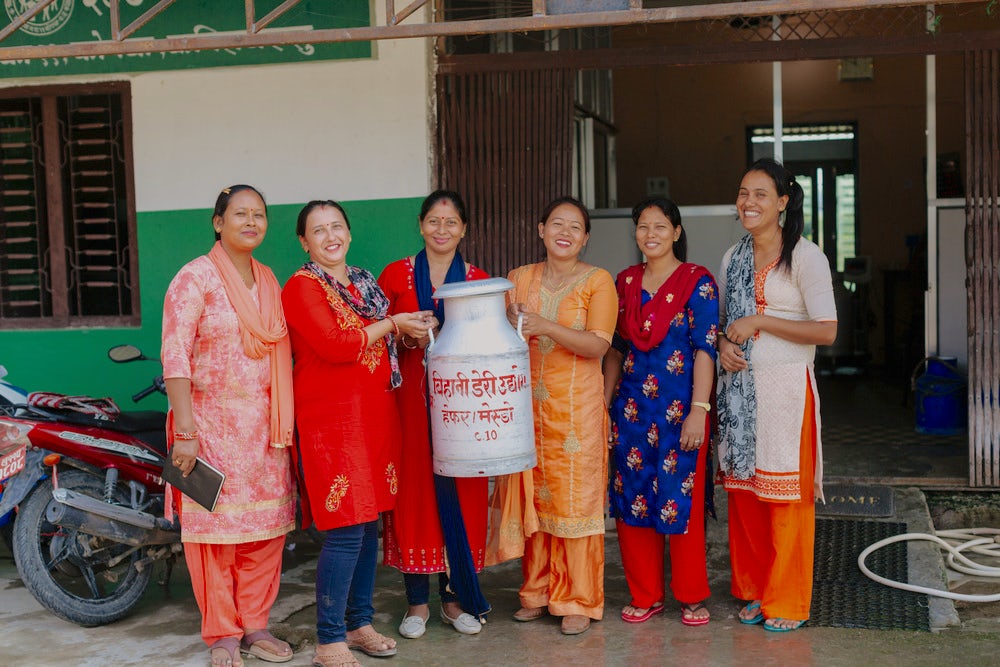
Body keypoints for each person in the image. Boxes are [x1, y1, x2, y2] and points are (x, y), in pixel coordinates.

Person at [280, 200, 435, 667]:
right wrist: (392, 323)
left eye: (337, 226)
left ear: (349, 232)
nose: (330, 236)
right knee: (346, 529)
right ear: (304, 242)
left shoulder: (364, 283)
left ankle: (358, 623)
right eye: (318, 230)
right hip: (332, 423)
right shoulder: (301, 286)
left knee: (369, 527)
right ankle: (330, 640)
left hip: (375, 418)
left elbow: (382, 342)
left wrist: (407, 335)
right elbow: (335, 344)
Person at [161, 184, 296, 667]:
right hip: (210, 429)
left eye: (259, 214)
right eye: (240, 214)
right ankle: (221, 633)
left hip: (264, 430)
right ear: (218, 222)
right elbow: (174, 353)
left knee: (263, 533)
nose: (251, 222)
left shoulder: (269, 280)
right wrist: (186, 432)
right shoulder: (194, 278)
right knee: (215, 537)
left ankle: (255, 625)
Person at [717, 158, 837, 633]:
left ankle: (786, 599)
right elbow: (725, 323)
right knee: (746, 499)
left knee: (785, 499)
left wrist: (761, 321)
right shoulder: (732, 258)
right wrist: (726, 345)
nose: (748, 203)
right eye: (743, 193)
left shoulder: (806, 256)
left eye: (760, 194)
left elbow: (827, 331)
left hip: (787, 392)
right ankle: (754, 590)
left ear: (783, 203)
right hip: (740, 395)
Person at [494, 196, 618, 636]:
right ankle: (537, 592)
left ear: (585, 237)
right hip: (527, 410)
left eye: (575, 227)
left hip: (577, 411)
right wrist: (506, 315)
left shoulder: (598, 281)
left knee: (575, 503)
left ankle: (578, 599)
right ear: (541, 228)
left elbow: (599, 345)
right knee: (537, 499)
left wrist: (545, 326)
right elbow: (498, 334)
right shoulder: (518, 279)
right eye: (557, 224)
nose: (565, 233)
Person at [378, 190, 491, 639]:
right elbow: (380, 338)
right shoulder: (396, 275)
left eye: (451, 222)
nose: (442, 230)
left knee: (462, 496)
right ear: (421, 225)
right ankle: (417, 604)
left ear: (464, 229)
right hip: (410, 405)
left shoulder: (478, 280)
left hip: (463, 410)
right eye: (434, 221)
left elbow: (488, 345)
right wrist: (409, 339)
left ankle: (454, 599)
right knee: (415, 496)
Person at [602, 198, 719, 627]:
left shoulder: (697, 282)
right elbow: (616, 350)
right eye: (642, 226)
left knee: (681, 498)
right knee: (632, 498)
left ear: (676, 232)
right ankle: (645, 594)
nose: (650, 234)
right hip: (631, 410)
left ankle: (690, 595)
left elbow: (705, 350)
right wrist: (604, 404)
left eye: (660, 226)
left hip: (680, 412)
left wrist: (699, 411)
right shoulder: (625, 283)